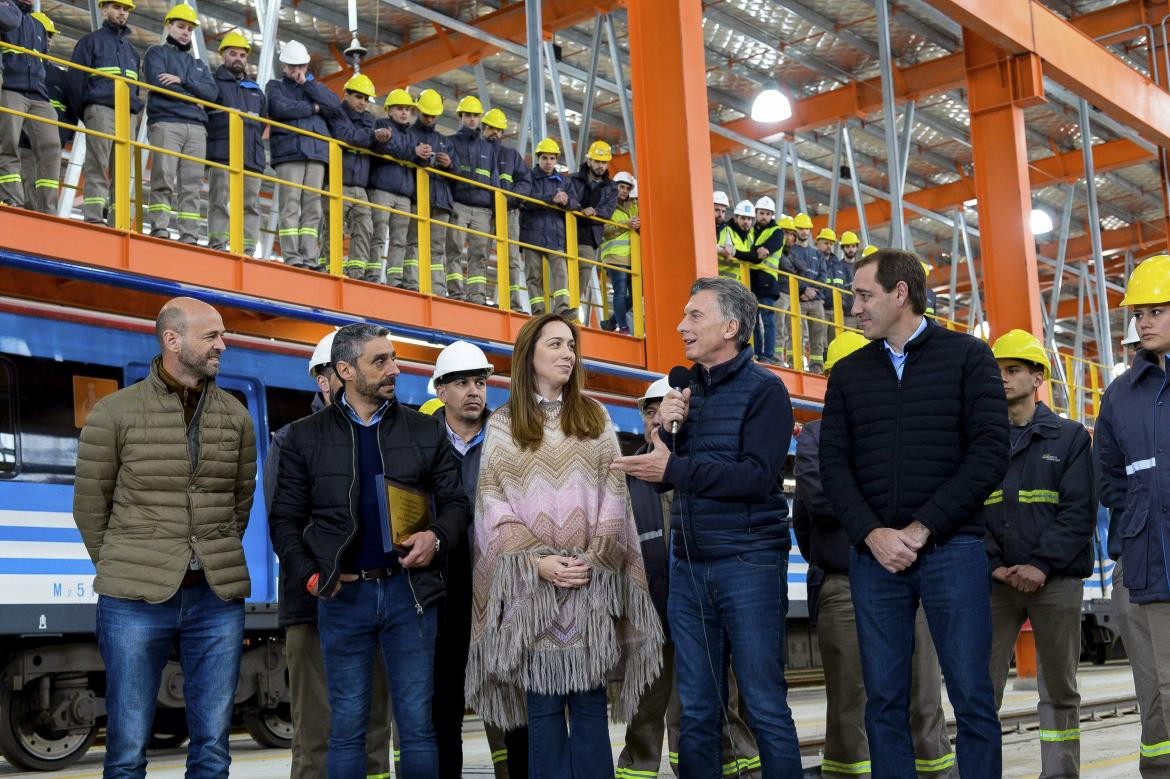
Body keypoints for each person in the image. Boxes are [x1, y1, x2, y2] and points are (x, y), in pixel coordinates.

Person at [819, 249, 1008, 778]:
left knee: (972, 695)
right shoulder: (851, 374)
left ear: (900, 293)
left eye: (862, 295)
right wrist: (873, 533)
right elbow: (833, 464)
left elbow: (990, 453)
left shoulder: (968, 356)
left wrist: (923, 528)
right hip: (876, 557)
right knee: (882, 698)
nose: (853, 308)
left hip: (954, 549)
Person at [612, 276, 801, 777]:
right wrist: (663, 439)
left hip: (749, 562)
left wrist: (672, 469)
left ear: (732, 327)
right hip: (690, 565)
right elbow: (670, 480)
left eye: (695, 316)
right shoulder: (685, 392)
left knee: (764, 705)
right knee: (695, 710)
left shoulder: (766, 391)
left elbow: (757, 477)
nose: (681, 325)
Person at [267, 323, 470, 778]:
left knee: (417, 728)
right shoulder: (304, 437)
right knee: (347, 729)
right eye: (380, 361)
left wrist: (435, 537)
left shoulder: (424, 430)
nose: (394, 369)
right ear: (346, 370)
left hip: (411, 597)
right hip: (343, 599)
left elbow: (456, 503)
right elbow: (284, 521)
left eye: (393, 359)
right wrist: (313, 577)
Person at [465, 313, 662, 777]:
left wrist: (592, 560)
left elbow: (616, 500)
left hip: (589, 590)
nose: (567, 354)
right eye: (555, 345)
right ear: (529, 355)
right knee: (545, 712)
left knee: (591, 709)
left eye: (571, 346)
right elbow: (492, 504)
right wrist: (538, 562)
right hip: (531, 596)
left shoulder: (595, 417)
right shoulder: (503, 424)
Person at [74, 296, 256, 777]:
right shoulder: (115, 412)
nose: (224, 343)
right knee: (128, 746)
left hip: (215, 599)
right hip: (132, 601)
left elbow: (240, 499)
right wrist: (124, 563)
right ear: (173, 340)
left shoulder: (236, 416)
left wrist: (209, 552)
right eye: (212, 336)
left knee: (213, 747)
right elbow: (90, 504)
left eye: (222, 334)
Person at [794, 330, 956, 779]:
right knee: (851, 695)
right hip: (846, 579)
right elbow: (816, 500)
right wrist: (879, 521)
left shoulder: (908, 429)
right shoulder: (814, 435)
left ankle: (934, 772)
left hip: (911, 575)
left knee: (922, 693)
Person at [615, 376, 762, 779]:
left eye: (665, 407)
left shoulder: (704, 468)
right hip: (648, 618)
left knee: (713, 703)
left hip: (703, 613)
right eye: (650, 409)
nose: (658, 416)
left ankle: (736, 771)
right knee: (644, 712)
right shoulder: (626, 476)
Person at [263, 331, 392, 779]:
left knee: (376, 732)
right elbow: (285, 524)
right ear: (326, 379)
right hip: (315, 605)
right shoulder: (293, 441)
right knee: (317, 732)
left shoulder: (384, 433)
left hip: (375, 601)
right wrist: (317, 579)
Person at [985, 328, 1095, 779]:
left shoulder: (1068, 438)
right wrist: (994, 565)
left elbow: (1078, 511)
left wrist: (1040, 564)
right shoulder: (982, 440)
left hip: (1056, 581)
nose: (1003, 379)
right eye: (998, 372)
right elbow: (970, 508)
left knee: (1059, 688)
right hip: (996, 583)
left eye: (1012, 370)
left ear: (1037, 378)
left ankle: (1061, 774)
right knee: (979, 688)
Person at [1095, 254, 1170, 778]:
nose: (1142, 321)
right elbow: (1108, 478)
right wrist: (1142, 514)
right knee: (1160, 688)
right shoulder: (1121, 394)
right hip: (1149, 559)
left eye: (1157, 310)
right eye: (1139, 312)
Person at [141, 4, 216, 243]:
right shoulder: (156, 53)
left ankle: (189, 233)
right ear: (169, 26)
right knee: (163, 177)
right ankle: (160, 227)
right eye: (181, 26)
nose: (185, 32)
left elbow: (212, 95)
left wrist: (183, 82)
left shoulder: (198, 65)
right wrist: (195, 97)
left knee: (192, 184)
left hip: (195, 129)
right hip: (166, 122)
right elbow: (158, 82)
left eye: (189, 28)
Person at [265, 40, 339, 269]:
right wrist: (313, 108)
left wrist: (309, 85)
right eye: (293, 67)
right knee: (290, 204)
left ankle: (310, 257)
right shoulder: (275, 86)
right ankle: (292, 257)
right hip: (290, 153)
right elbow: (281, 108)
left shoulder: (314, 87)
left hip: (316, 155)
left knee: (312, 208)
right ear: (284, 67)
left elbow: (334, 106)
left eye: (301, 67)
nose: (297, 71)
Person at [66, 0, 141, 225]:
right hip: (100, 110)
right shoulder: (90, 42)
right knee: (97, 164)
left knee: (122, 170)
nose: (122, 13)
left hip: (126, 114)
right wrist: (88, 110)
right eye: (117, 8)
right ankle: (93, 217)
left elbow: (136, 88)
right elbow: (75, 82)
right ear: (103, 9)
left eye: (126, 9)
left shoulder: (132, 52)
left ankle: (118, 220)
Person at [324, 73, 390, 279]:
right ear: (347, 95)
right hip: (336, 182)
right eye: (358, 97)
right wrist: (372, 136)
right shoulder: (337, 114)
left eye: (366, 99)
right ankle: (330, 267)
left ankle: (356, 271)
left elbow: (369, 143)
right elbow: (346, 136)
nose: (363, 103)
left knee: (365, 227)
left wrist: (381, 140)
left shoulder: (369, 120)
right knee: (333, 228)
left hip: (360, 186)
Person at [206, 31, 266, 254]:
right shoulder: (212, 83)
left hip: (251, 157)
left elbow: (263, 123)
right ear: (223, 56)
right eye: (233, 54)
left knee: (250, 205)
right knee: (219, 201)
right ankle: (218, 246)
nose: (238, 58)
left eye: (242, 54)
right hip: (223, 152)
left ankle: (248, 249)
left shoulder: (255, 90)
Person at [0, 0, 58, 212]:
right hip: (11, 89)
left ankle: (48, 209)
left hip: (39, 95)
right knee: (8, 144)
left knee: (51, 147)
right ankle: (12, 200)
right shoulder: (6, 15)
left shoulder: (38, 26)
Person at [445, 95, 497, 304]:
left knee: (479, 254)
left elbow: (493, 179)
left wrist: (493, 207)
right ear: (461, 116)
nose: (472, 120)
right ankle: (456, 292)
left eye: (476, 116)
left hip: (482, 209)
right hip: (459, 203)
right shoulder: (451, 142)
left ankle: (477, 295)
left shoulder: (487, 148)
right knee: (454, 249)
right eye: (468, 115)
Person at [18, 11, 72, 212]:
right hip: (24, 147)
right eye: (45, 35)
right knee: (26, 194)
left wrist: (64, 135)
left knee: (47, 190)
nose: (48, 41)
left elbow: (69, 112)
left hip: (51, 146)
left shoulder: (59, 76)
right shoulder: (18, 67)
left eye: (50, 36)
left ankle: (48, 218)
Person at [520, 138, 579, 317]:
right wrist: (551, 198)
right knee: (533, 275)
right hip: (532, 233)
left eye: (552, 159)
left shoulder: (564, 181)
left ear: (556, 160)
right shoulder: (529, 176)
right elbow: (525, 198)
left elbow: (576, 203)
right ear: (538, 158)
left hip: (555, 235)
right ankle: (538, 312)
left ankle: (562, 309)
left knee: (561, 272)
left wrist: (566, 201)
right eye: (545, 158)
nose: (548, 162)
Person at [482, 107, 531, 310]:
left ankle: (512, 303)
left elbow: (525, 182)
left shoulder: (511, 155)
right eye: (491, 128)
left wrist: (508, 199)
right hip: (483, 209)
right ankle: (477, 297)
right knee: (479, 254)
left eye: (499, 130)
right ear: (484, 128)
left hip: (508, 211)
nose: (495, 133)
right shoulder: (477, 151)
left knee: (511, 259)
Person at [369, 88, 419, 288]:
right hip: (382, 189)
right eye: (400, 109)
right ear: (389, 110)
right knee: (378, 233)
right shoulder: (381, 126)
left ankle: (395, 280)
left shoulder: (411, 134)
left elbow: (410, 155)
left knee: (399, 239)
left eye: (407, 109)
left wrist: (418, 154)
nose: (405, 113)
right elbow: (387, 148)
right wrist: (412, 152)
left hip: (404, 194)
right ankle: (372, 274)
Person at [410, 88, 455, 296]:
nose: (429, 118)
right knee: (413, 242)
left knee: (437, 247)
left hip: (440, 200)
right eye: (426, 114)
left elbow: (458, 172)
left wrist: (449, 165)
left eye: (433, 115)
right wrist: (415, 154)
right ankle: (412, 282)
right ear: (418, 111)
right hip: (417, 197)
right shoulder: (409, 134)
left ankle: (437, 287)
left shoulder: (444, 141)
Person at [571, 140, 617, 320]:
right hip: (568, 232)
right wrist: (581, 210)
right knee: (561, 272)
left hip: (589, 237)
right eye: (597, 161)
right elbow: (570, 200)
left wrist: (594, 211)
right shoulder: (573, 179)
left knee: (584, 269)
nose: (600, 166)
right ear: (589, 161)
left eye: (603, 162)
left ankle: (572, 307)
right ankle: (560, 305)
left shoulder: (611, 187)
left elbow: (608, 210)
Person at [598, 171, 638, 333]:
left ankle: (611, 322)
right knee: (620, 292)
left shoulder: (634, 207)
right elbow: (604, 230)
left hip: (632, 258)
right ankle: (623, 327)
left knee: (636, 294)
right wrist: (626, 223)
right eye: (621, 186)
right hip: (614, 256)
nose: (624, 191)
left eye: (627, 188)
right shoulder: (607, 206)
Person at [791, 213, 828, 372]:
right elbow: (790, 273)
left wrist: (813, 291)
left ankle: (816, 367)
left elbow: (823, 275)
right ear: (796, 230)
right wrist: (803, 290)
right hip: (798, 298)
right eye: (800, 228)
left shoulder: (817, 254)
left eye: (806, 228)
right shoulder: (791, 250)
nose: (804, 232)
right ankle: (795, 363)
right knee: (796, 333)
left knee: (817, 336)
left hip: (816, 299)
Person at [751, 196, 783, 364]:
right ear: (756, 214)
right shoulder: (751, 229)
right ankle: (756, 353)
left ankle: (768, 355)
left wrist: (761, 250)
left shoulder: (776, 231)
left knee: (768, 319)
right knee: (753, 320)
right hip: (751, 279)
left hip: (767, 280)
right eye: (761, 213)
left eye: (767, 213)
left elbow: (766, 249)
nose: (764, 216)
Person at [717, 199, 755, 279]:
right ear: (735, 218)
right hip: (722, 280)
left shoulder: (751, 237)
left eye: (749, 219)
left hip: (741, 284)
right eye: (743, 218)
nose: (746, 222)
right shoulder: (726, 230)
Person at [832, 231, 860, 330]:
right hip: (847, 315)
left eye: (853, 246)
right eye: (847, 247)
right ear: (843, 248)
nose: (851, 249)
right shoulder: (837, 267)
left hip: (863, 314)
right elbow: (837, 289)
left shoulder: (861, 267)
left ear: (857, 247)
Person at [714, 190, 731, 263]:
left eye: (723, 211)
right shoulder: (701, 225)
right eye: (717, 210)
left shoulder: (726, 229)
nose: (720, 214)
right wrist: (721, 250)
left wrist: (731, 250)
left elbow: (731, 249)